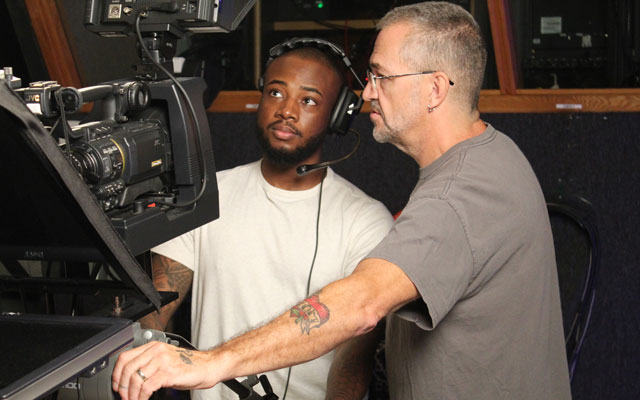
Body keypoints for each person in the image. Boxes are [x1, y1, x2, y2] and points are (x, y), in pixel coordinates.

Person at [112, 3, 572, 400]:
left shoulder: (460, 194)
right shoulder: (489, 158)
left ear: (434, 89)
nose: (368, 92)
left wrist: (209, 363)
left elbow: (361, 305)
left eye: (382, 77)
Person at [136, 40, 394, 400]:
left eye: (308, 100)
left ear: (337, 116)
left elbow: (354, 359)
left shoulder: (366, 221)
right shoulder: (207, 196)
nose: (287, 110)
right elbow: (154, 306)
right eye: (276, 92)